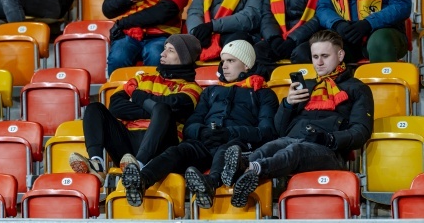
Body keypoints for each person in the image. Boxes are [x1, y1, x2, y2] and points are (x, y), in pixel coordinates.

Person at [120, 40, 279, 208]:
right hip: (205, 142)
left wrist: (228, 133)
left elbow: (266, 132)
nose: (224, 66)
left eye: (231, 61)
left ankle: (210, 184)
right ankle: (141, 180)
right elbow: (191, 124)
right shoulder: (210, 91)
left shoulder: (264, 94)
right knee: (177, 151)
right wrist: (202, 132)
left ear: (247, 65)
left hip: (237, 144)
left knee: (227, 150)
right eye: (223, 61)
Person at [224, 30, 374, 208]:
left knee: (295, 150)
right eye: (315, 56)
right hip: (293, 139)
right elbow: (279, 131)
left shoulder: (357, 89)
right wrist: (288, 104)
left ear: (340, 55)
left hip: (328, 150)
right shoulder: (306, 86)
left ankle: (250, 170)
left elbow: (361, 131)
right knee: (270, 147)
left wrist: (330, 138)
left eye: (325, 56)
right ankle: (243, 173)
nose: (318, 62)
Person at [68, 34, 203, 185]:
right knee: (95, 108)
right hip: (126, 144)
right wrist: (153, 108)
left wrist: (137, 97)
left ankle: (139, 165)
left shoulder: (192, 88)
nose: (162, 53)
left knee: (163, 110)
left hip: (160, 148)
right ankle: (96, 163)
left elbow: (173, 106)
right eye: (164, 48)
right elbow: (116, 106)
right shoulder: (142, 78)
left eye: (170, 50)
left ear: (184, 57)